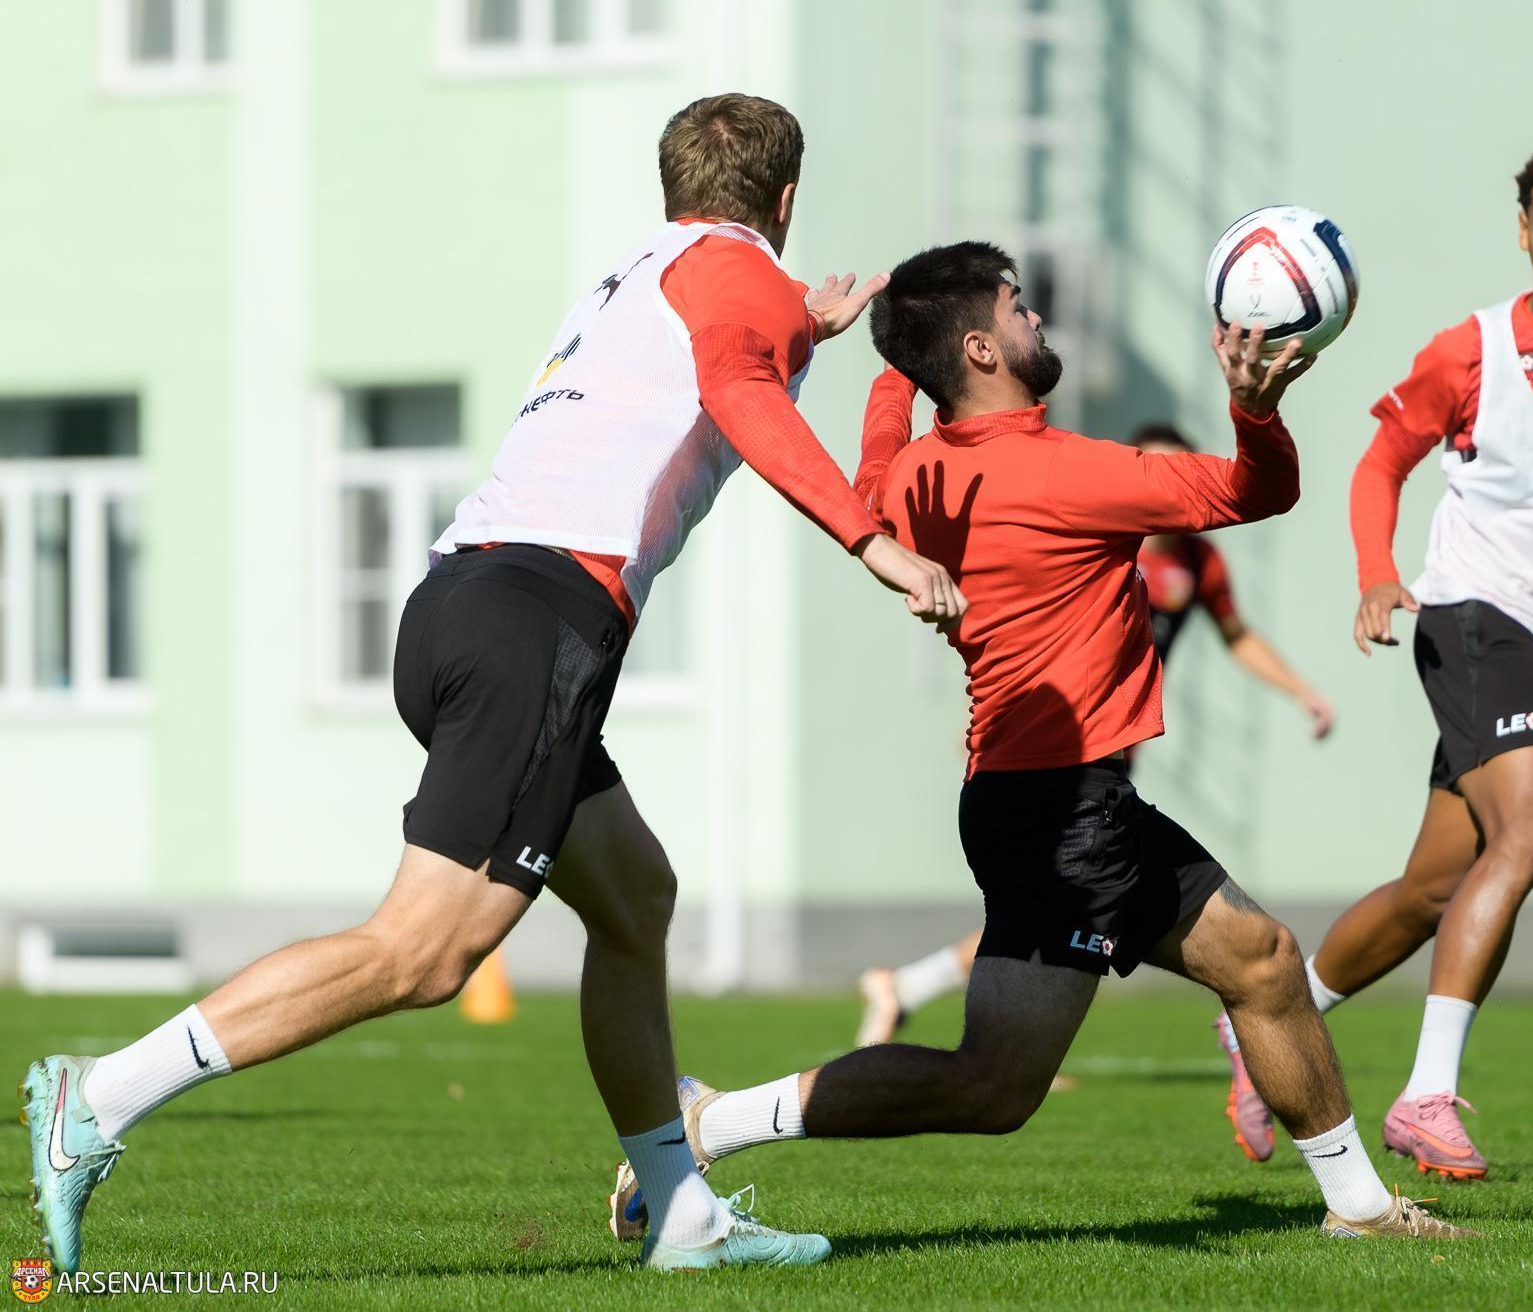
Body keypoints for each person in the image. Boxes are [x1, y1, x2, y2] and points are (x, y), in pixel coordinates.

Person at [19, 93, 964, 1276]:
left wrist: (798, 323)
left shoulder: (638, 275)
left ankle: (680, 1214)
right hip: (536, 623)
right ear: (784, 201)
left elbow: (711, 361)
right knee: (424, 954)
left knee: (634, 898)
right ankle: (98, 1096)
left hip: (462, 604)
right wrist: (874, 545)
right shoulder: (735, 276)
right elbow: (738, 392)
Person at [613, 240, 1469, 1245]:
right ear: (981, 347)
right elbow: (1258, 492)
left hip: (1039, 800)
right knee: (997, 1083)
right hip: (1065, 812)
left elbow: (876, 463)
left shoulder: (918, 478)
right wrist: (1253, 408)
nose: (1036, 318)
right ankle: (708, 1121)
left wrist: (897, 365)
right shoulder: (1071, 472)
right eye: (1017, 306)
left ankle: (1360, 1207)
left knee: (1260, 963)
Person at [1219, 138, 1533, 1181]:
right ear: (1522, 231)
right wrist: (1376, 572)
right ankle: (1426, 1096)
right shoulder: (1470, 350)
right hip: (1470, 615)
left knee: (1432, 887)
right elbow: (1380, 463)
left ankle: (1262, 1025)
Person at [847, 423, 1337, 1156]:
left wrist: (1302, 692)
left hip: (1105, 767)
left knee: (1249, 951)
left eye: (1178, 472)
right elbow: (1026, 612)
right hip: (1057, 770)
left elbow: (1236, 633)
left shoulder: (1195, 557)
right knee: (1004, 1058)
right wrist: (997, 722)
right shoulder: (1105, 529)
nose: (1166, 487)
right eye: (1153, 472)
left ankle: (912, 993)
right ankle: (905, 1016)